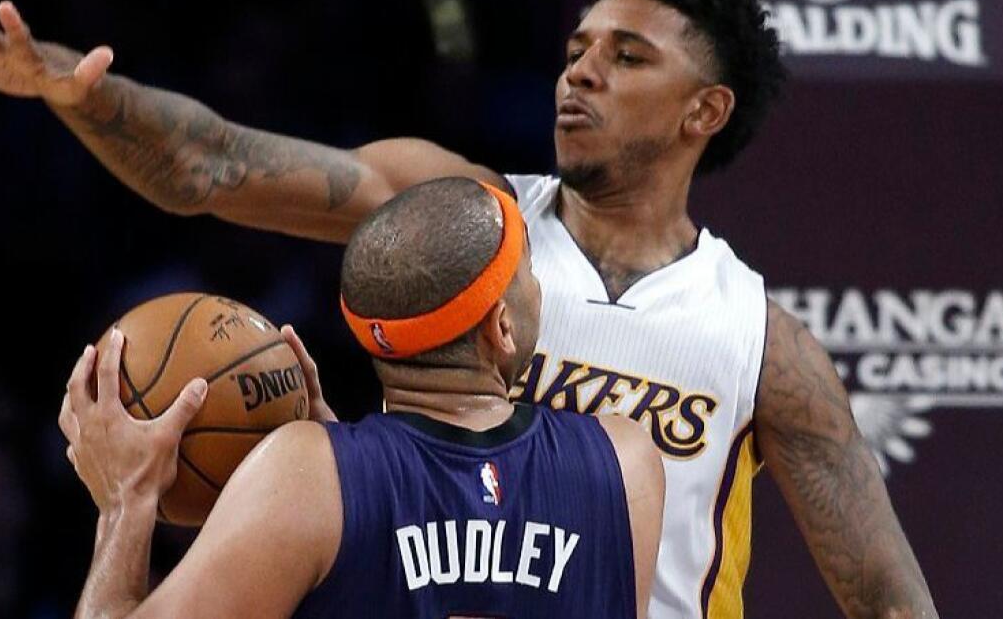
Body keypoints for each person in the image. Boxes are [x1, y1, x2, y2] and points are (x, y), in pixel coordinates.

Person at [0, 0, 937, 616]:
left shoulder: (762, 338)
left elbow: (890, 600)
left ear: (702, 111)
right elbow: (210, 164)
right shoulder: (457, 217)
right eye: (577, 48)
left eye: (625, 57)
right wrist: (81, 94)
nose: (579, 71)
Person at [57, 178, 665, 618]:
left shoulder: (310, 479)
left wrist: (124, 502)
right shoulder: (625, 461)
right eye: (530, 271)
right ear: (500, 327)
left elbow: (404, 528)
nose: (539, 285)